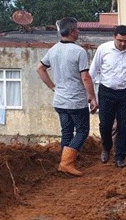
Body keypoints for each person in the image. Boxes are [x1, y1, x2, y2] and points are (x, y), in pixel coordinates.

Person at [37, 17, 98, 177]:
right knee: (82, 131)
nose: (78, 31)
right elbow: (85, 77)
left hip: (60, 99)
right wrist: (92, 97)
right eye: (77, 29)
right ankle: (66, 163)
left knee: (66, 132)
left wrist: (52, 87)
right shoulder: (79, 51)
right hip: (75, 100)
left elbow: (40, 68)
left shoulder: (54, 49)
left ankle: (63, 163)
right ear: (71, 31)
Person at [90, 25, 126, 168]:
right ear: (114, 37)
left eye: (125, 41)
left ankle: (119, 157)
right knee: (105, 125)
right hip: (106, 92)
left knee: (124, 126)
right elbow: (92, 73)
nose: (122, 44)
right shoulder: (103, 49)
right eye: (119, 41)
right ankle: (106, 148)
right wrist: (90, 96)